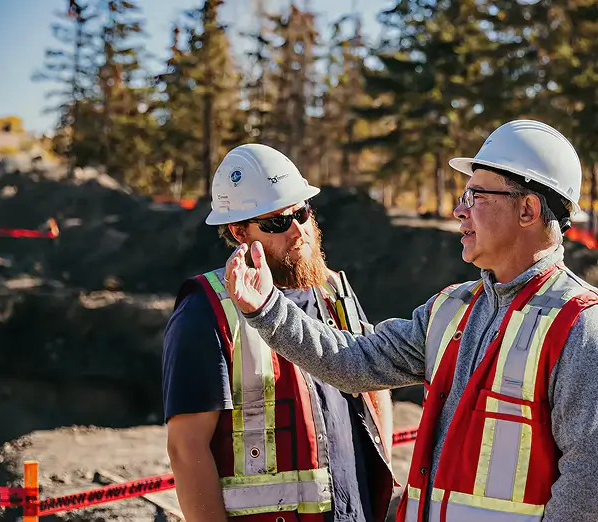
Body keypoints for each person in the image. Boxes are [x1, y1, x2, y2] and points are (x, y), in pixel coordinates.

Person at [224, 120, 598, 522]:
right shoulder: (451, 310)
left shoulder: (579, 326)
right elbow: (354, 362)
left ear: (527, 209)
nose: (460, 210)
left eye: (476, 195)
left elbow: (587, 485)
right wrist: (266, 309)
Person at [162, 143, 395, 522]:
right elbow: (187, 448)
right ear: (239, 231)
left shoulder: (335, 292)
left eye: (301, 212)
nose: (298, 230)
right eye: (276, 222)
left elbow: (375, 387)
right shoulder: (206, 310)